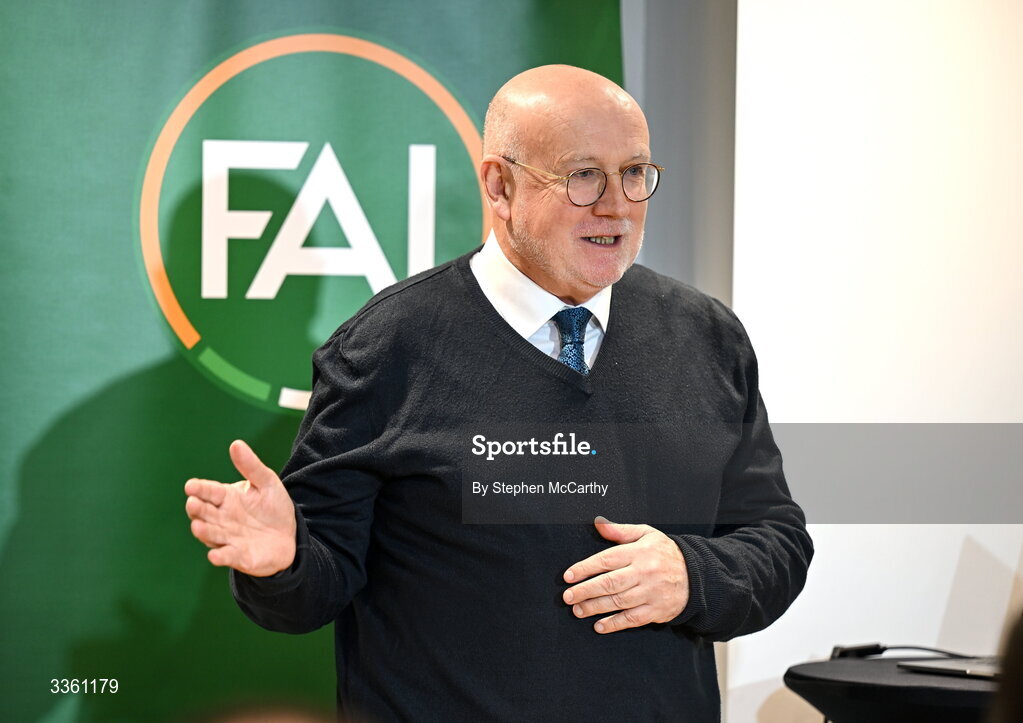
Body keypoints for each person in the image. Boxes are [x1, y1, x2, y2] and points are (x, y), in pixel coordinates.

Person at [185, 64, 813, 721]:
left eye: (633, 172)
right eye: (582, 175)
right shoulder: (386, 347)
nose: (616, 204)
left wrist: (692, 575)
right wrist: (280, 559)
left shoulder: (707, 338)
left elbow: (775, 539)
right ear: (499, 184)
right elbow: (316, 585)